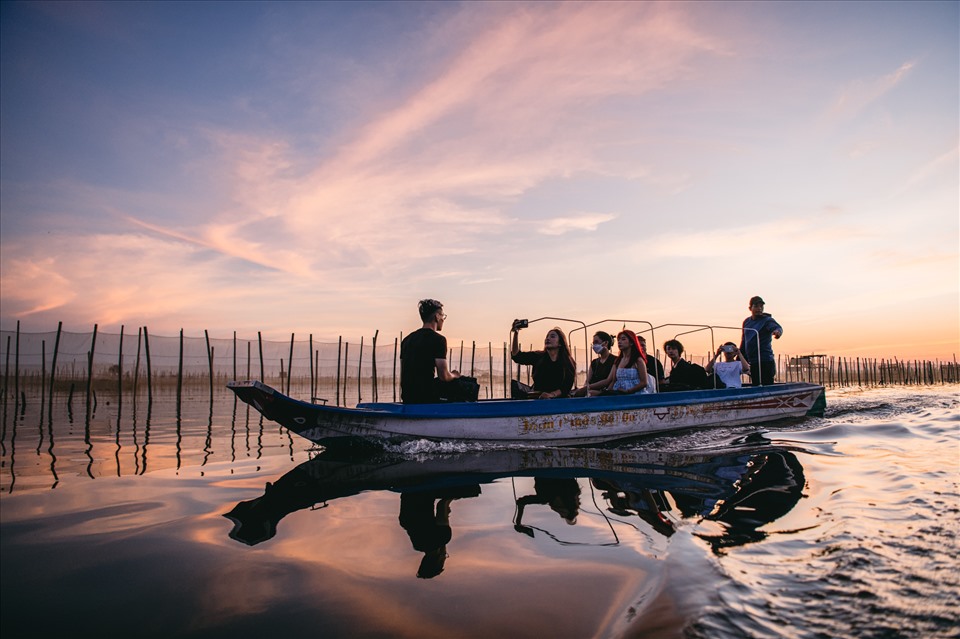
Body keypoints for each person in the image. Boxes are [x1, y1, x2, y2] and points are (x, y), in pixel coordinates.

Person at [400, 299, 460, 403]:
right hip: (426, 397)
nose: (443, 319)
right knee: (464, 384)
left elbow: (405, 373)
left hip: (407, 397)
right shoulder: (438, 340)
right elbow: (444, 376)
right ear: (437, 317)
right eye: (443, 316)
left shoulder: (407, 340)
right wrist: (455, 375)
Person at [510, 321, 576, 399]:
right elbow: (517, 356)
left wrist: (551, 395)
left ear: (560, 343)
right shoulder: (538, 356)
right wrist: (516, 333)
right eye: (547, 336)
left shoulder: (568, 362)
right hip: (538, 397)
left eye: (552, 336)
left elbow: (566, 386)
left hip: (560, 400)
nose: (548, 338)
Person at [586, 330, 654, 395]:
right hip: (619, 396)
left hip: (636, 396)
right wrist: (606, 394)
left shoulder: (638, 360)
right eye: (618, 340)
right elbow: (612, 380)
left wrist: (628, 391)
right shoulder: (618, 361)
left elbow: (644, 382)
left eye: (623, 339)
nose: (619, 342)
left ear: (631, 342)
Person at [740, 296, 783, 386]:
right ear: (750, 308)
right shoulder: (746, 322)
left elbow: (777, 327)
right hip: (753, 361)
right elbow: (744, 340)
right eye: (756, 306)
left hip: (765, 360)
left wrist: (777, 332)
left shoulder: (767, 320)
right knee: (756, 384)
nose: (759, 309)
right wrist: (740, 357)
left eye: (761, 306)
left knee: (767, 385)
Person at [571, 331, 616, 397]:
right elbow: (588, 380)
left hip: (604, 392)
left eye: (596, 342)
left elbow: (608, 380)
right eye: (593, 343)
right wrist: (586, 387)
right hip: (590, 390)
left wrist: (589, 387)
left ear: (606, 343)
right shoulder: (594, 362)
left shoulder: (614, 360)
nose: (594, 345)